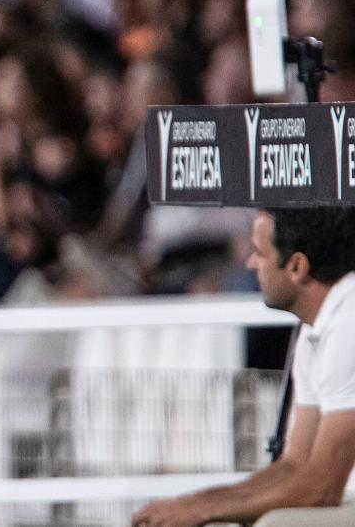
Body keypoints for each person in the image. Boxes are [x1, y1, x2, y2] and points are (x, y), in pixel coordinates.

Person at [132, 207, 355, 527]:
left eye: (259, 253)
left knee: (274, 524)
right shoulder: (316, 326)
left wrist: (203, 511)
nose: (250, 264)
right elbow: (294, 465)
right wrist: (194, 504)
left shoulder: (349, 321)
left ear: (296, 266)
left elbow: (322, 487)